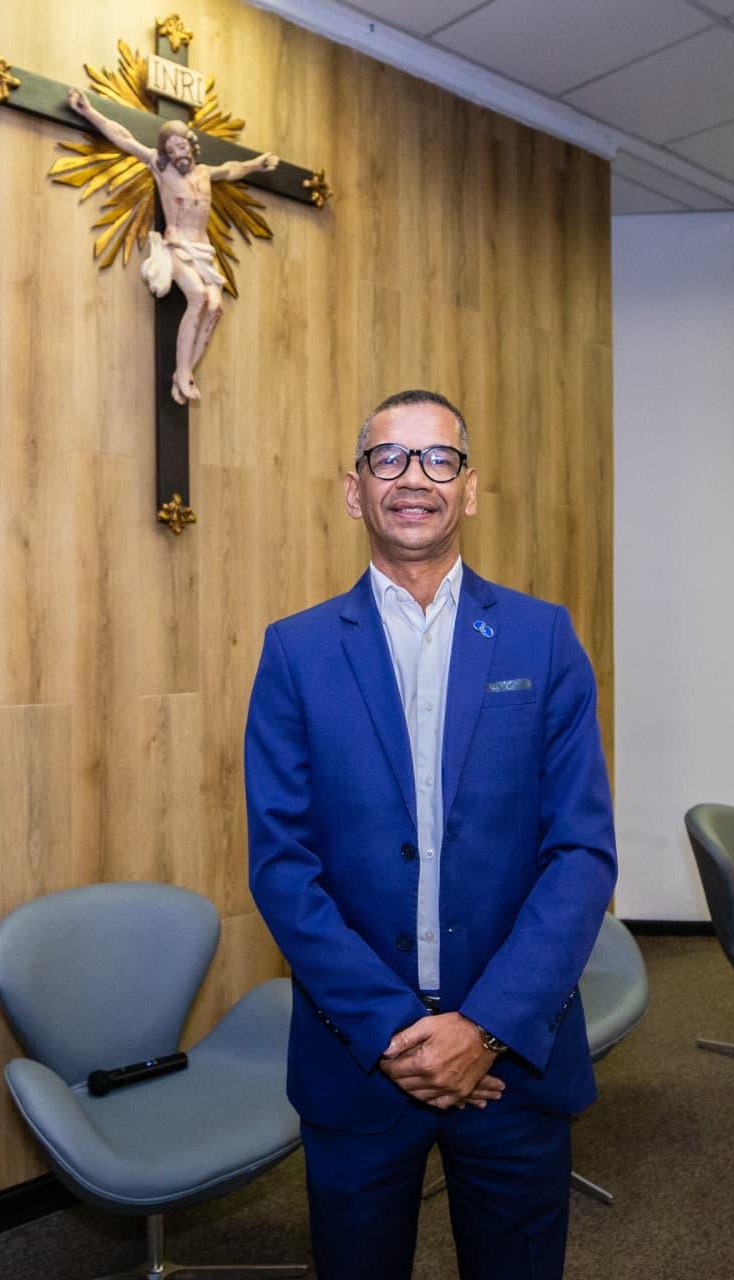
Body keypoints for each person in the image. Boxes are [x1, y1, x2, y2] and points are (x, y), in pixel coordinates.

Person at [245, 389, 617, 1280]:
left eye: (438, 459)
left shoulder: (542, 639)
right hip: (358, 1062)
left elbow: (581, 854)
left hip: (513, 1060)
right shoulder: (295, 652)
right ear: (354, 490)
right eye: (389, 458)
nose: (414, 478)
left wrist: (483, 1028)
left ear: (470, 488)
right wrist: (393, 1033)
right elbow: (283, 867)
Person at [67, 90, 278, 404]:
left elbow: (232, 168)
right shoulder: (160, 168)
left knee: (216, 307)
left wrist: (256, 164)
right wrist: (88, 111)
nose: (177, 152)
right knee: (199, 297)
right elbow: (123, 137)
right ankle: (181, 371)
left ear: (191, 145)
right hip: (177, 246)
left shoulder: (205, 173)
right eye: (170, 149)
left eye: (181, 146)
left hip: (203, 250)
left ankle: (185, 374)